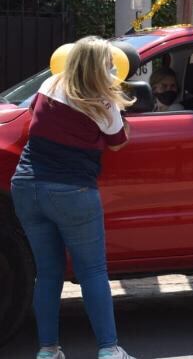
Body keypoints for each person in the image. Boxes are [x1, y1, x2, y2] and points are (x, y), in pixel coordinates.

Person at [11, 37, 136, 359]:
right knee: (92, 271)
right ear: (99, 66)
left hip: (26, 186)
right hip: (72, 191)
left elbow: (32, 121)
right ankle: (109, 350)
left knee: (48, 272)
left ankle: (48, 350)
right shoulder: (102, 101)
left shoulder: (50, 84)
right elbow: (118, 142)